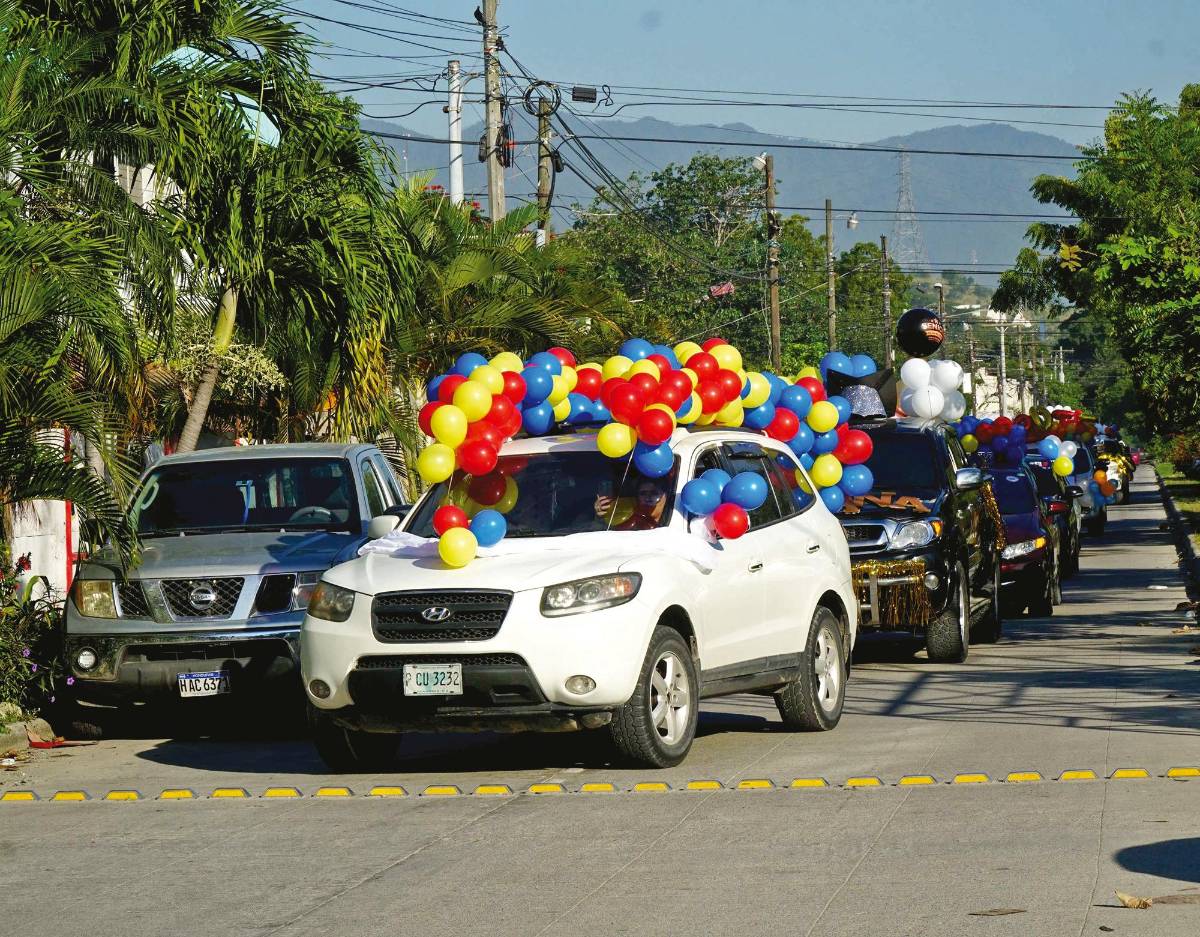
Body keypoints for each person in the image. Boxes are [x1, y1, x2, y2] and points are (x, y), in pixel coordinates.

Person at [594, 478, 668, 531]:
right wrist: (601, 516)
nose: (648, 497)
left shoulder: (675, 514)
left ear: (665, 496)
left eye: (654, 493)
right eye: (643, 493)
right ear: (637, 497)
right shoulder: (631, 519)